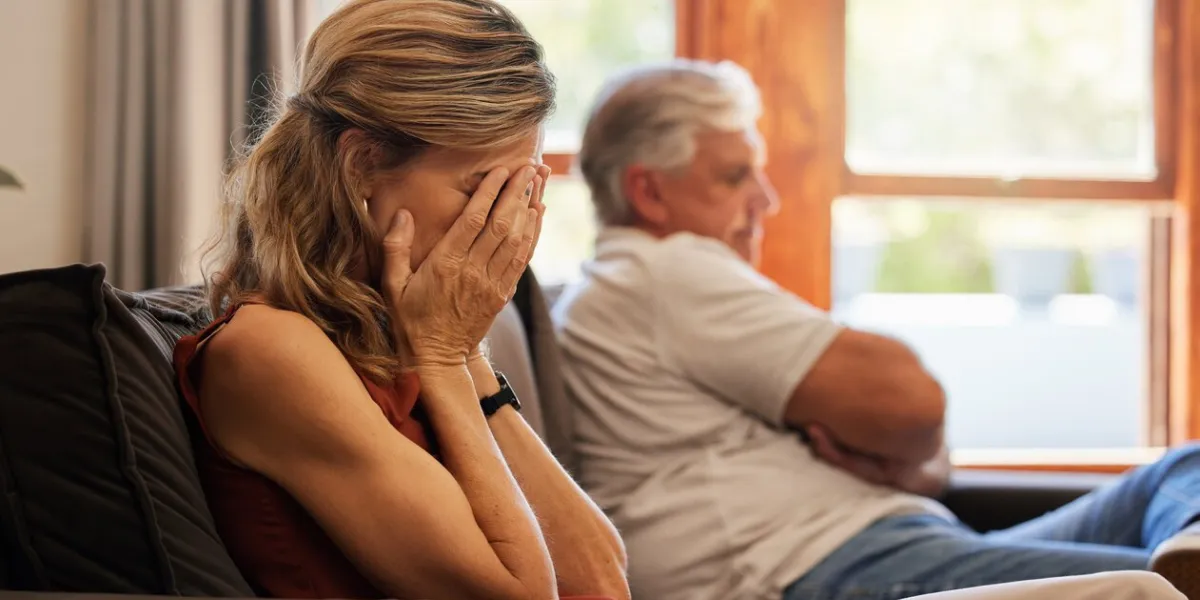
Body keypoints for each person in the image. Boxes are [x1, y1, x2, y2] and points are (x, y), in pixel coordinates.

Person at [552, 58, 1200, 600]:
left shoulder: (651, 289)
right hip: (818, 568)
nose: (766, 201)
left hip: (890, 544)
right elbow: (911, 404)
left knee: (1186, 468)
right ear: (649, 191)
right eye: (735, 176)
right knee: (1151, 588)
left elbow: (918, 441)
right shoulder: (660, 272)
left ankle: (1185, 558)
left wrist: (910, 462)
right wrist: (907, 448)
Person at [172, 1, 629, 599]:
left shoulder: (405, 332)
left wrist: (464, 354)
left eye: (522, 188)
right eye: (481, 187)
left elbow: (601, 582)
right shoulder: (269, 351)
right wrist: (443, 355)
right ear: (363, 163)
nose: (508, 222)